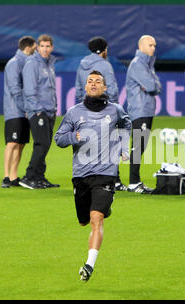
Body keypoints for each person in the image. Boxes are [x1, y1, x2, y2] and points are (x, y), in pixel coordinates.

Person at [55, 70, 131, 282]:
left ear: (105, 88)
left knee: (96, 219)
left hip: (106, 173)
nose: (94, 84)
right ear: (85, 87)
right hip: (81, 175)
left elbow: (127, 124)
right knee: (84, 221)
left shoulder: (115, 110)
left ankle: (89, 265)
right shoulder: (73, 113)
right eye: (90, 81)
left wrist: (124, 147)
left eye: (98, 81)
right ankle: (104, 206)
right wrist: (74, 136)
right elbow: (59, 139)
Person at [75, 36, 127, 191]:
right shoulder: (104, 65)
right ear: (103, 50)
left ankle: (88, 178)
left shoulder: (82, 65)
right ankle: (114, 180)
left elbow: (79, 89)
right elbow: (111, 88)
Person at [19, 34, 60, 189]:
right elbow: (29, 89)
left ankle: (40, 177)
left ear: (52, 47)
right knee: (41, 144)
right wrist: (37, 110)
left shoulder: (49, 63)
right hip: (38, 111)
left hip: (49, 110)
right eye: (42, 46)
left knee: (46, 145)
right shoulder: (32, 63)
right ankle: (29, 177)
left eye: (48, 46)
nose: (45, 49)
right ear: (37, 46)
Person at [125, 35, 161, 194]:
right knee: (138, 145)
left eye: (154, 45)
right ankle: (133, 182)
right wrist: (152, 85)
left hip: (146, 109)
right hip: (139, 110)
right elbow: (151, 84)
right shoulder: (138, 64)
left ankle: (135, 180)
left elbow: (156, 87)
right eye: (150, 45)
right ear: (141, 46)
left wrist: (152, 86)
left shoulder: (147, 64)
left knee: (141, 145)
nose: (153, 48)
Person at [2, 36, 36, 188]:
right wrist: (25, 108)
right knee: (12, 142)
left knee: (21, 143)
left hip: (23, 111)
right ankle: (6, 176)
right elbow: (15, 89)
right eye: (35, 47)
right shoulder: (14, 63)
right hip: (14, 110)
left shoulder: (26, 62)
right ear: (28, 47)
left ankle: (14, 176)